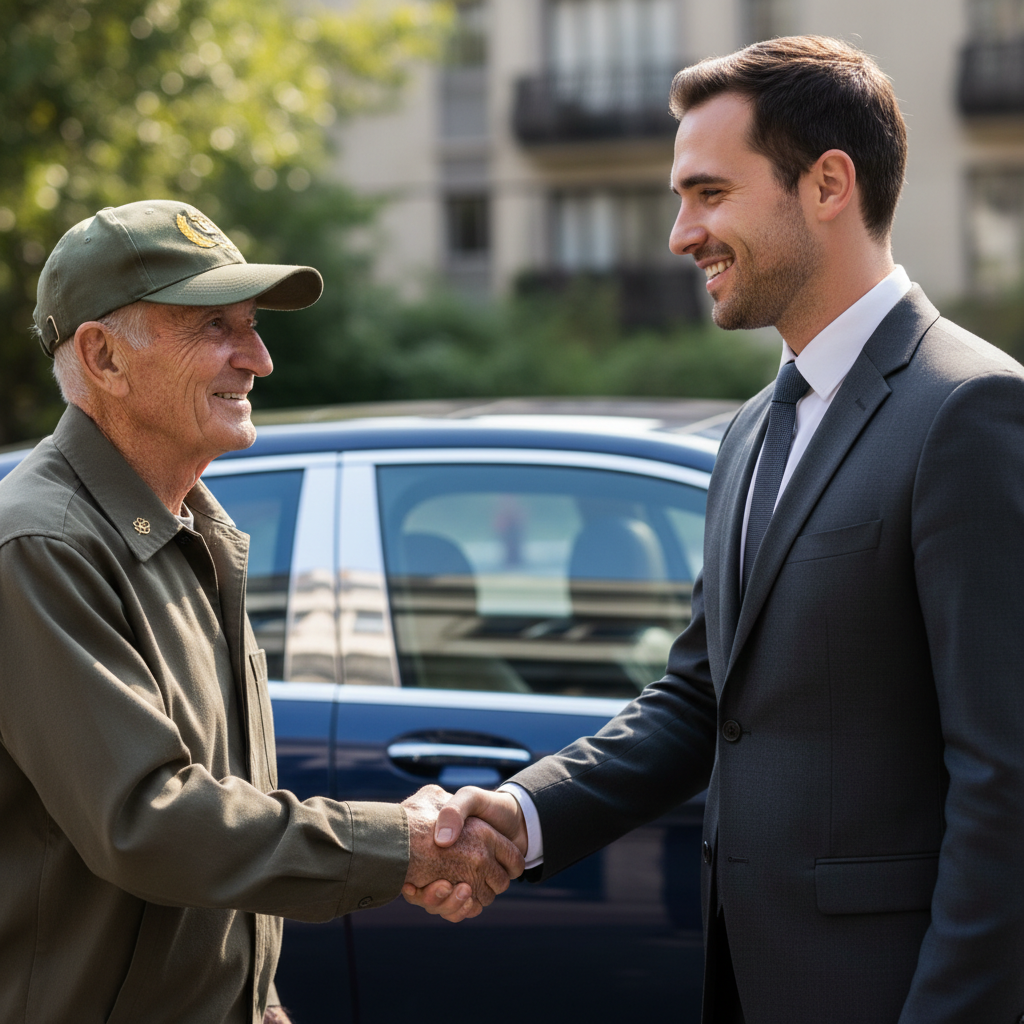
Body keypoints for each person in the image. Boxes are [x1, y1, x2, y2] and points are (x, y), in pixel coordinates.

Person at [406, 36, 1024, 1024]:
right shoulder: (750, 429)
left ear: (827, 184)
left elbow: (1006, 779)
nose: (679, 234)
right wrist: (523, 816)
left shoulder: (969, 409)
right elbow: (701, 699)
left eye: (707, 193)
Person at [0, 200, 521, 1024]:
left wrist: (259, 1006)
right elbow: (150, 821)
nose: (260, 360)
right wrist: (402, 845)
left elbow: (219, 828)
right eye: (216, 327)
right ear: (102, 356)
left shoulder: (191, 527)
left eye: (252, 326)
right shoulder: (41, 545)